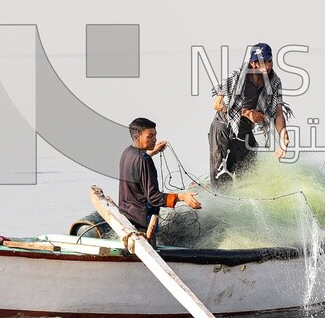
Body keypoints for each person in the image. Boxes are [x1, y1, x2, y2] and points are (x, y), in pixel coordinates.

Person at [208, 42, 289, 184]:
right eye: (264, 63)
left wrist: (284, 139)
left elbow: (278, 113)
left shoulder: (275, 81)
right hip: (223, 129)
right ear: (253, 63)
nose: (268, 66)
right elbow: (217, 104)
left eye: (270, 61)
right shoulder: (236, 77)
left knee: (251, 174)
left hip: (245, 131)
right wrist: (246, 113)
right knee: (221, 178)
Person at [120, 117, 200, 238]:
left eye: (155, 135)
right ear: (137, 137)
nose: (154, 140)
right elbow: (153, 198)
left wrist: (152, 152)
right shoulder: (144, 160)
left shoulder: (127, 152)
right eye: (150, 136)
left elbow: (139, 167)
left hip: (128, 215)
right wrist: (182, 196)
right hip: (143, 221)